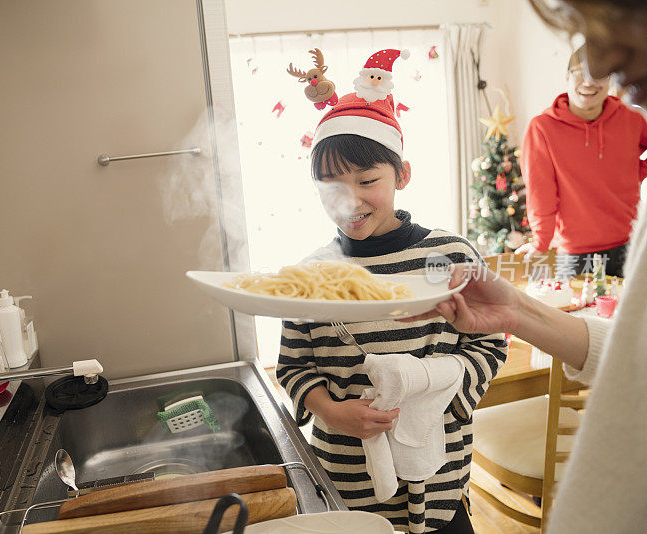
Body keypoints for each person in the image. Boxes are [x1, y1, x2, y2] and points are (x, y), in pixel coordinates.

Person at [403, 3, 647, 531]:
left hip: (625, 239)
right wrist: (520, 306)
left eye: (624, 26)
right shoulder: (545, 127)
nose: (600, 67)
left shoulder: (629, 121)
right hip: (578, 248)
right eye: (582, 53)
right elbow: (636, 355)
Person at [276, 56, 508, 534]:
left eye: (367, 182)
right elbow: (294, 367)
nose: (351, 201)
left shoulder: (451, 254)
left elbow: (491, 342)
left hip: (441, 477)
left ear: (401, 175)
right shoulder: (311, 275)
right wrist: (333, 412)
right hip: (346, 478)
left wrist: (434, 392)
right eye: (332, 188)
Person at [517, 45, 647, 278]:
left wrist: (636, 171)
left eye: (599, 74)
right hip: (574, 254)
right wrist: (541, 241)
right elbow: (541, 192)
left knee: (630, 314)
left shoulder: (632, 119)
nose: (589, 82)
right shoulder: (542, 128)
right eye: (580, 72)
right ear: (567, 77)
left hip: (628, 243)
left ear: (611, 80)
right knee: (578, 314)